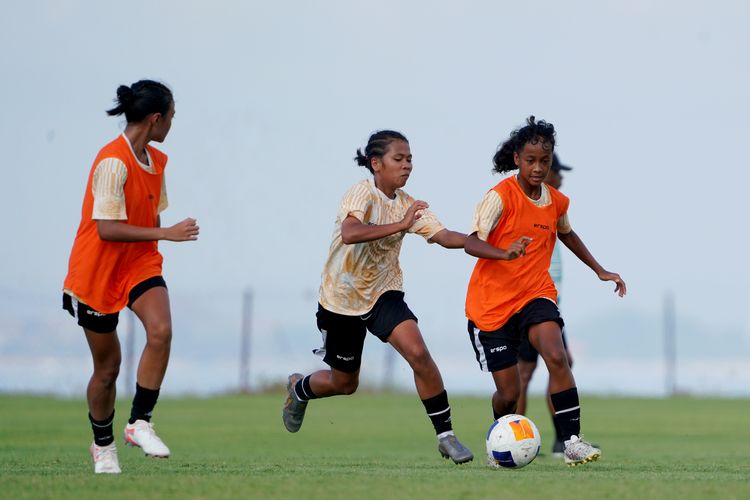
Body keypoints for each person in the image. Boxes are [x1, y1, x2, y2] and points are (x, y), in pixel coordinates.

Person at [282, 130, 474, 464]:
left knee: (418, 353)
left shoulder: (408, 205)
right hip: (340, 300)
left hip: (383, 293)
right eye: (398, 159)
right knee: (345, 384)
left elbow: (444, 236)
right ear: (376, 164)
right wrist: (401, 225)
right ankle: (299, 389)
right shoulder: (362, 193)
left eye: (410, 159)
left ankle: (446, 436)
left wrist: (490, 246)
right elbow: (350, 232)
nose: (407, 165)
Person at [463, 117, 626, 467]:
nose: (538, 168)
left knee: (557, 356)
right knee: (509, 392)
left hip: (536, 294)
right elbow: (472, 243)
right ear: (517, 159)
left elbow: (566, 233)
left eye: (545, 161)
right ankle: (498, 436)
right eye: (531, 160)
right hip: (492, 305)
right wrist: (504, 252)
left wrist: (599, 269)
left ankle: (572, 441)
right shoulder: (499, 197)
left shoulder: (555, 201)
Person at [62, 80, 199, 474]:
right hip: (97, 272)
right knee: (108, 370)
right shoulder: (112, 161)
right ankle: (102, 446)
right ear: (156, 119)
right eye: (171, 117)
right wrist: (166, 233)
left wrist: (158, 236)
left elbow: (149, 215)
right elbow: (106, 228)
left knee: (161, 330)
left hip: (139, 263)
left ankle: (140, 422)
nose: (172, 124)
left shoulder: (157, 162)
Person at [516, 153, 575, 457]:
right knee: (523, 374)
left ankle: (561, 440)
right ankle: (518, 437)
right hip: (529, 304)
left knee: (560, 363)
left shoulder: (554, 208)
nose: (562, 177)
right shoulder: (530, 206)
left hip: (548, 305)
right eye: (558, 171)